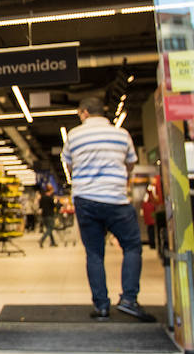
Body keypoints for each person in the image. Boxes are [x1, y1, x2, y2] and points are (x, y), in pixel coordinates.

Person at [62, 96, 148, 321]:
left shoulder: (74, 135)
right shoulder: (121, 135)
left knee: (94, 253)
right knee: (131, 247)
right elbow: (130, 164)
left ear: (84, 113)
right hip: (116, 199)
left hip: (85, 199)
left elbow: (69, 167)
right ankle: (129, 299)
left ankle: (101, 306)